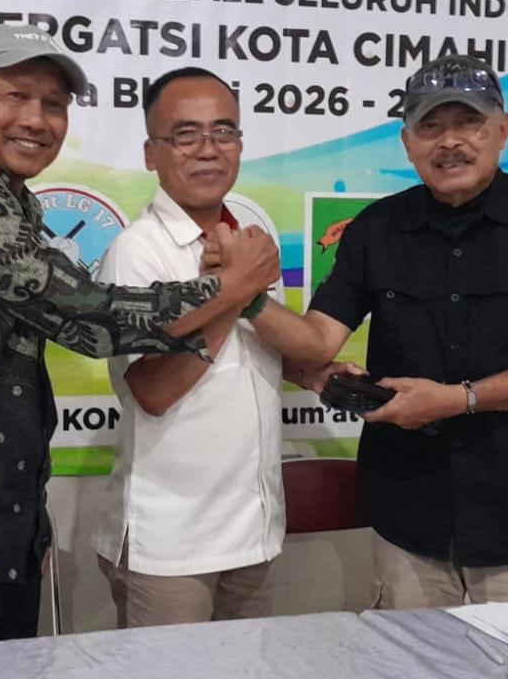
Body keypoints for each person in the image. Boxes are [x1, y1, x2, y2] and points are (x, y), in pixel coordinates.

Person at [0, 26, 279, 651]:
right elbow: (89, 319)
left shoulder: (14, 202)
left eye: (53, 104)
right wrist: (233, 287)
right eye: (16, 96)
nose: (36, 120)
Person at [247, 54, 508, 606]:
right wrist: (243, 299)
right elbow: (316, 341)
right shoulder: (376, 229)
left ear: (502, 130)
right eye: (430, 126)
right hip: (409, 520)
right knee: (410, 656)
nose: (449, 142)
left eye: (469, 122)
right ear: (407, 142)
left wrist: (457, 400)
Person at [92, 67, 337, 628]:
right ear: (152, 153)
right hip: (171, 544)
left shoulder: (246, 238)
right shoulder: (138, 252)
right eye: (185, 134)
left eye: (223, 132)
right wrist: (234, 289)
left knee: (250, 666)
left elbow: (248, 348)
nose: (208, 149)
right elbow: (153, 391)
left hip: (255, 529)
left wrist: (305, 370)